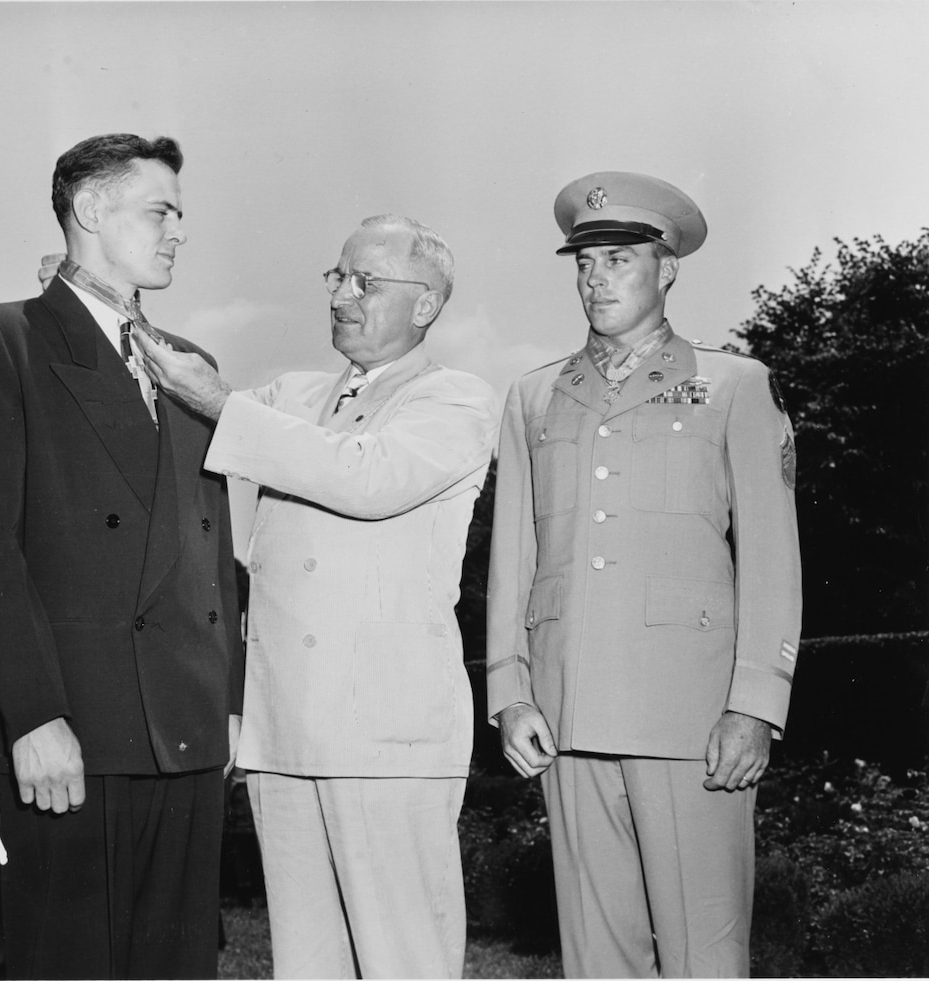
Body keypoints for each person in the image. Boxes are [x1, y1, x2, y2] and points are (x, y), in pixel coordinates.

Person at [136, 214, 499, 978]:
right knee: (306, 965)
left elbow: (364, 476)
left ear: (427, 303)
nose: (340, 295)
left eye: (365, 281)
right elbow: (189, 397)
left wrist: (227, 406)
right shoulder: (293, 394)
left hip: (388, 742)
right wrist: (111, 307)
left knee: (404, 963)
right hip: (285, 732)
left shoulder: (454, 400)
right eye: (337, 276)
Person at [0, 133, 244, 980]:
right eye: (160, 211)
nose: (179, 231)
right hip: (76, 732)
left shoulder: (192, 366)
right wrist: (34, 716)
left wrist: (230, 702)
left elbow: (213, 550)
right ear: (91, 209)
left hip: (189, 731)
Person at [485, 172, 802, 977]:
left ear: (667, 269)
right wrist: (510, 691)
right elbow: (513, 558)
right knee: (596, 958)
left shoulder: (734, 385)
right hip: (567, 712)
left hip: (690, 719)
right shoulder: (534, 396)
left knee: (705, 954)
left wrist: (754, 704)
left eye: (619, 259)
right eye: (584, 263)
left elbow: (771, 560)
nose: (596, 279)